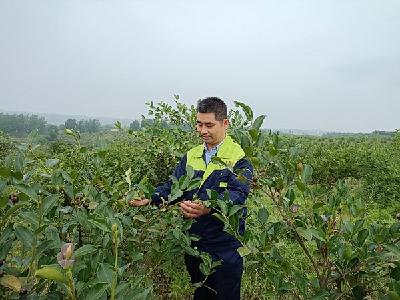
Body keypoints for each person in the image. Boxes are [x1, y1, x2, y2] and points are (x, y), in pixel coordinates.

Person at [129, 97, 253, 299]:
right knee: (202, 293)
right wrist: (151, 198)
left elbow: (238, 194)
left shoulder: (239, 159)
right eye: (199, 124)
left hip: (225, 247)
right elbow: (173, 187)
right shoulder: (191, 156)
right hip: (195, 245)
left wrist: (208, 206)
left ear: (225, 123)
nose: (203, 130)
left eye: (209, 125)